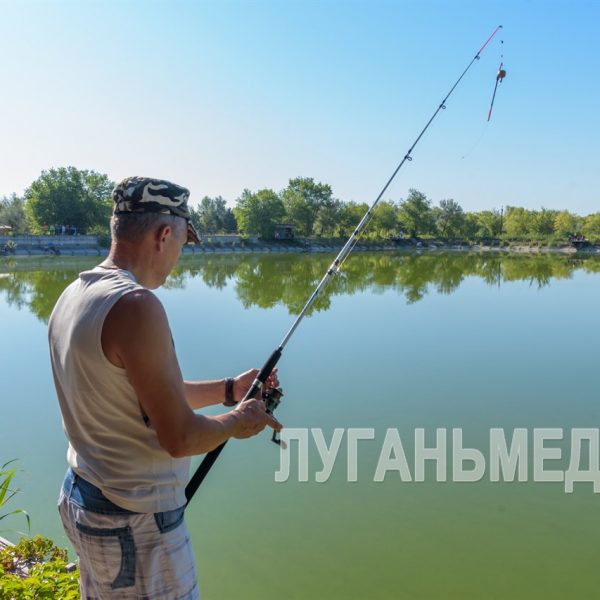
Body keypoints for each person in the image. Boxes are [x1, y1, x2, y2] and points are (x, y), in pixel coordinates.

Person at [48, 176, 282, 599]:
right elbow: (179, 437)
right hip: (132, 522)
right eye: (181, 243)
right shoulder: (138, 306)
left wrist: (230, 389)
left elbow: (144, 396)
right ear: (164, 234)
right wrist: (237, 421)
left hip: (85, 496)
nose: (178, 257)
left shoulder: (76, 294)